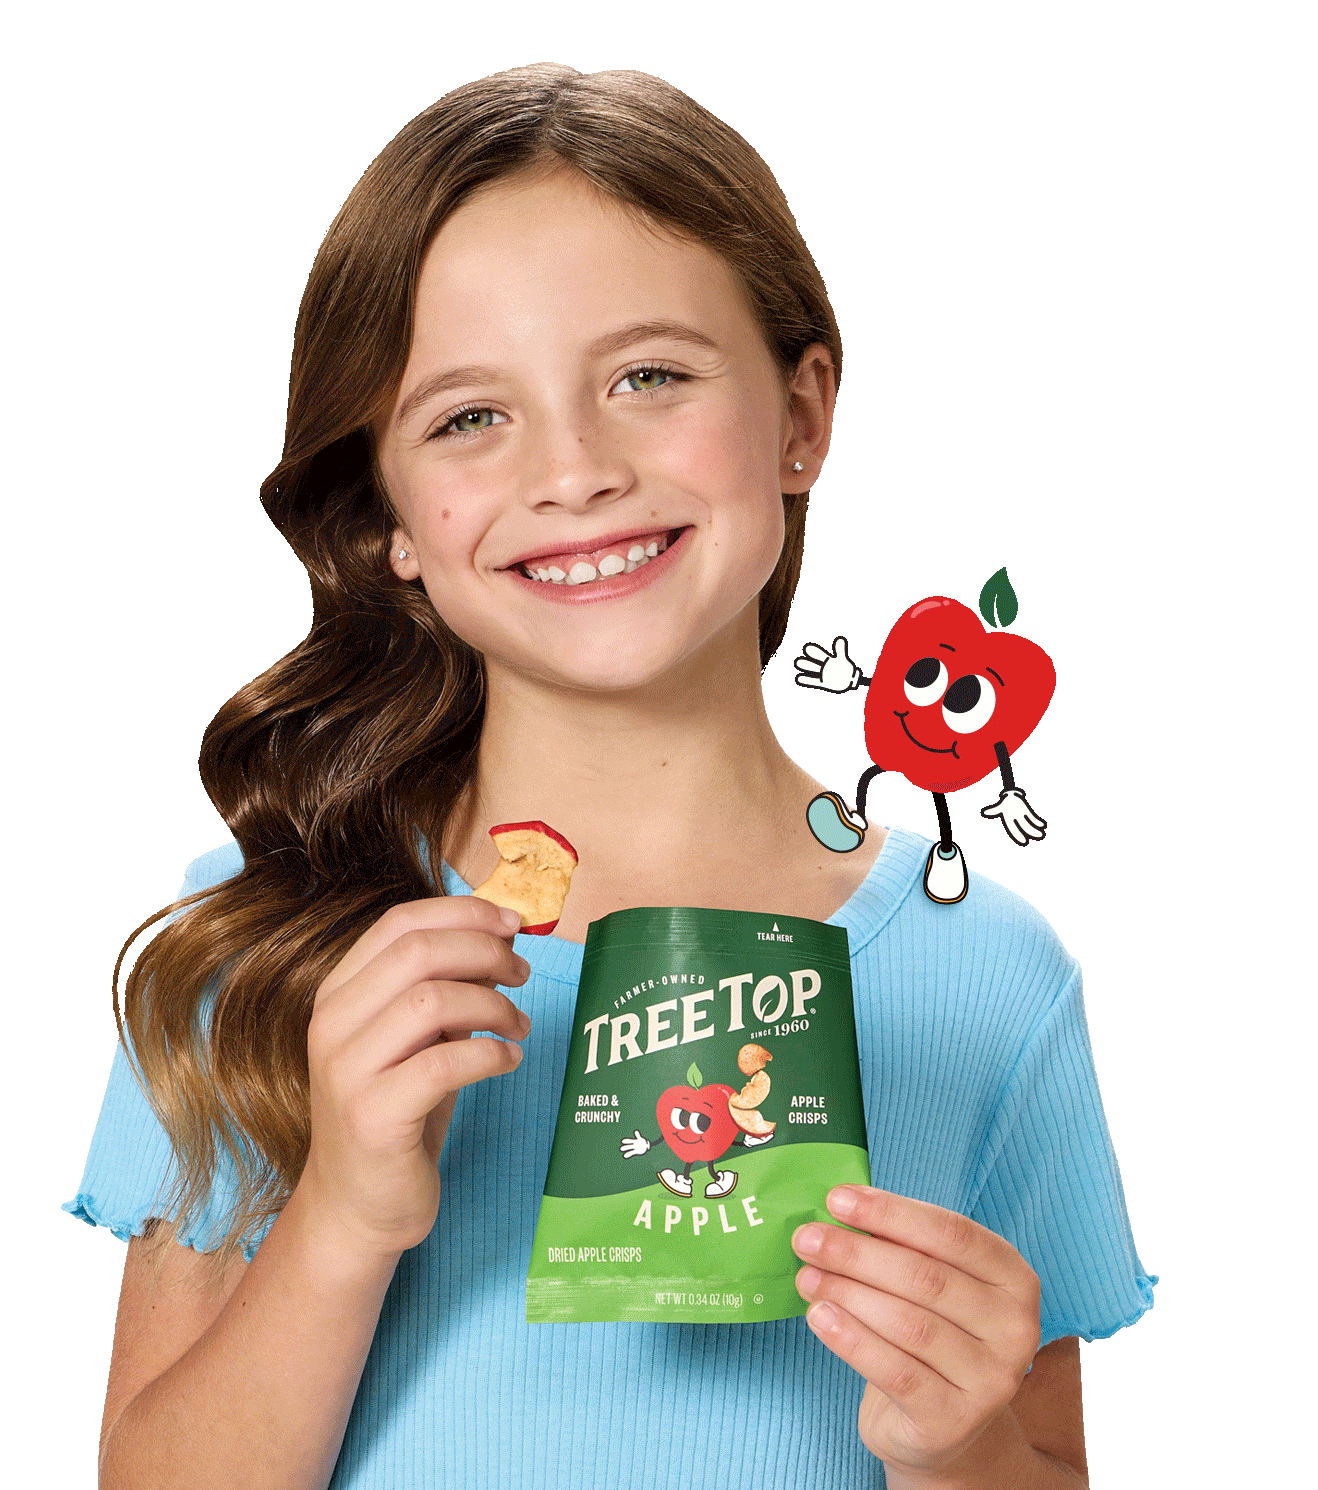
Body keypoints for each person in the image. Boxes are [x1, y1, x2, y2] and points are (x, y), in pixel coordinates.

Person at [67, 64, 1154, 1489]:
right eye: (468, 416)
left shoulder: (991, 973)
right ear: (387, 513)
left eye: (646, 376)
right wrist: (339, 1213)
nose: (572, 470)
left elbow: (1041, 1462)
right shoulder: (263, 933)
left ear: (800, 415)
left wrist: (957, 1444)